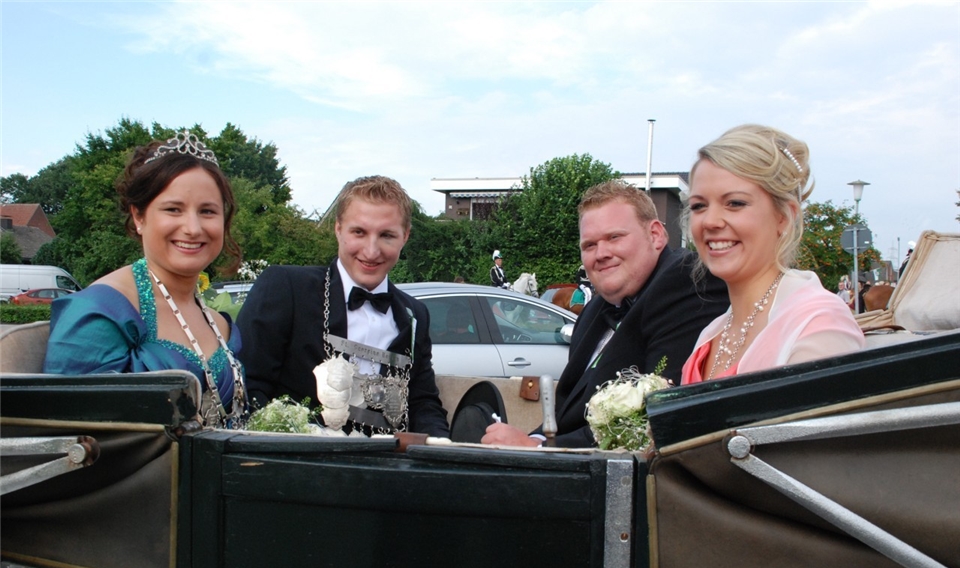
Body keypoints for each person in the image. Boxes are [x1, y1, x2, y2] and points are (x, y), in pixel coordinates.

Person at [482, 180, 729, 448]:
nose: (601, 254)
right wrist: (534, 438)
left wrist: (538, 449)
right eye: (589, 245)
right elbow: (567, 415)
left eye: (615, 237)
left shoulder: (686, 283)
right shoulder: (593, 312)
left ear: (656, 235)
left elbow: (653, 422)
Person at [43, 131, 247, 428]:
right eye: (173, 209)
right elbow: (69, 437)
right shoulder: (101, 312)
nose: (192, 228)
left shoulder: (218, 322)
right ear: (139, 217)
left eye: (207, 211)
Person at [236, 176, 449, 438]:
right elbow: (247, 387)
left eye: (386, 235)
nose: (371, 252)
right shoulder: (287, 288)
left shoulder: (415, 314)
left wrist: (441, 446)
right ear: (338, 229)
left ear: (405, 236)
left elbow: (422, 403)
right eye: (358, 232)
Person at [680, 124, 865, 385]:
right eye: (699, 206)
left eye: (735, 203)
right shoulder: (711, 335)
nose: (710, 221)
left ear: (784, 216)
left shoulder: (817, 323)